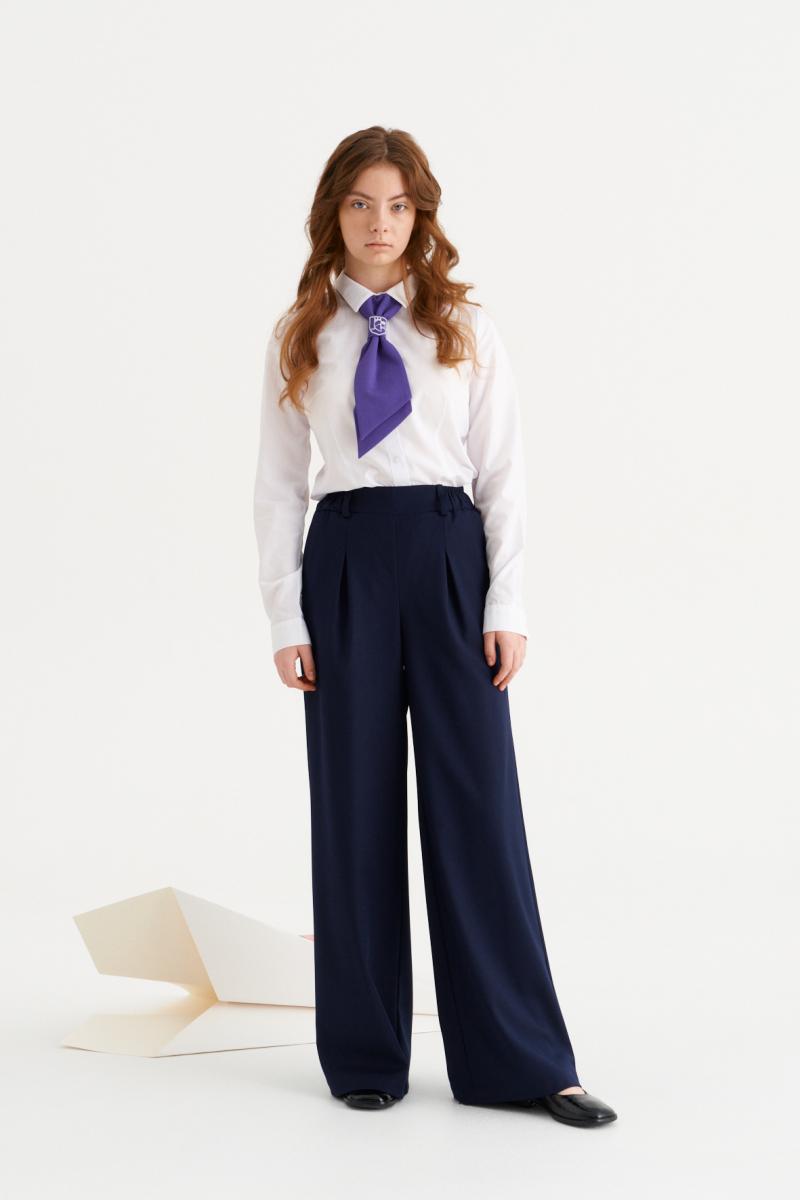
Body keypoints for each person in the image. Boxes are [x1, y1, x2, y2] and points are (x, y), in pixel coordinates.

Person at [252, 126, 617, 1127]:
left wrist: (507, 603)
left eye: (398, 205)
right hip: (346, 558)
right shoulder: (302, 332)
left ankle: (521, 1061)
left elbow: (503, 472)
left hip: (451, 554)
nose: (380, 224)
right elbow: (278, 486)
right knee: (353, 805)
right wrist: (285, 613)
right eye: (360, 204)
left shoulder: (463, 326)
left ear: (421, 215)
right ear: (333, 213)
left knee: (477, 804)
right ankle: (365, 1054)